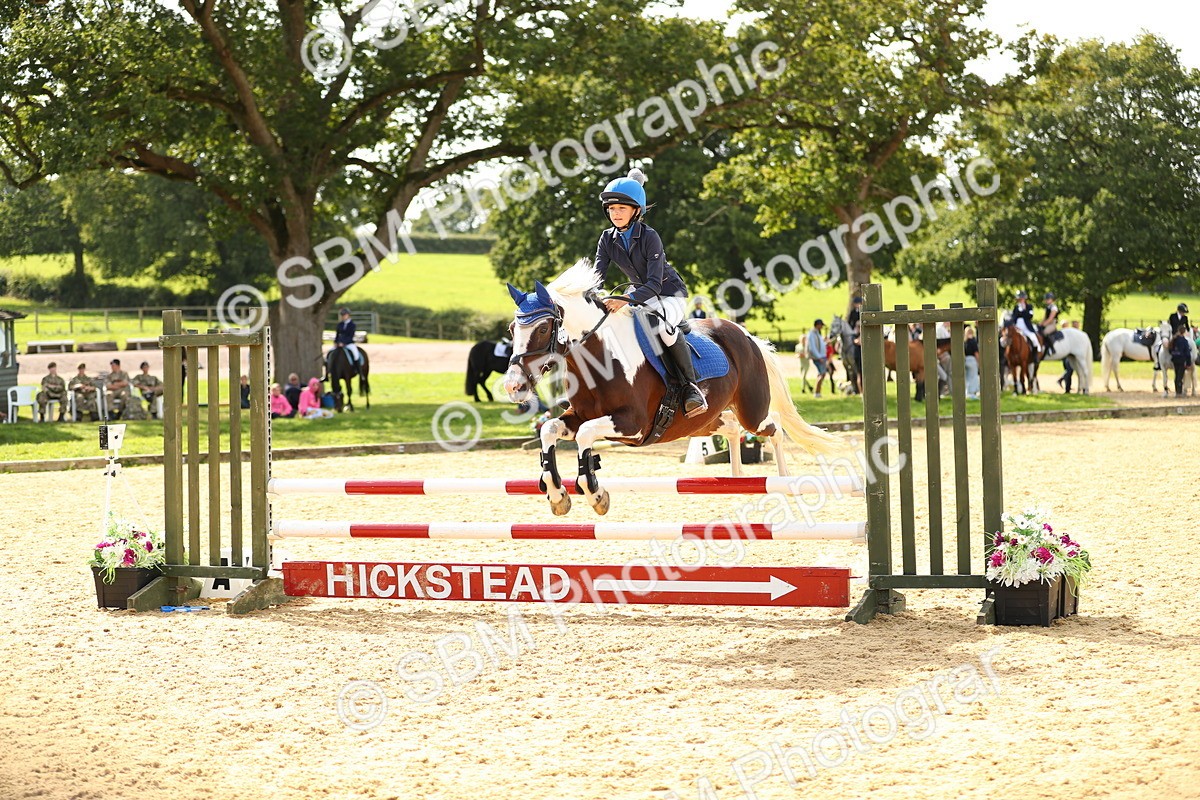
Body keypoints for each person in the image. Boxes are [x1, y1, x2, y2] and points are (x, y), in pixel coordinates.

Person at [593, 167, 706, 416]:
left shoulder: (650, 236)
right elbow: (597, 275)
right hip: (636, 293)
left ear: (636, 211)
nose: (615, 213)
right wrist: (592, 295)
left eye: (621, 208)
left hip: (668, 293)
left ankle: (691, 387)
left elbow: (655, 284)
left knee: (663, 328)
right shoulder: (606, 238)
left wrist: (624, 299)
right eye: (611, 209)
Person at [331, 307, 362, 376]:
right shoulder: (340, 325)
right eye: (342, 315)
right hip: (339, 344)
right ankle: (327, 373)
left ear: (348, 315)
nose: (343, 316)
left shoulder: (352, 325)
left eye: (344, 315)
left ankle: (358, 370)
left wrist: (344, 343)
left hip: (349, 344)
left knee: (356, 354)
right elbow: (337, 335)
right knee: (330, 353)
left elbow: (350, 336)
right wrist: (336, 342)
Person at [1012, 291, 1040, 356]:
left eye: (1022, 299)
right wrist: (1015, 326)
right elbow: (1013, 318)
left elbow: (1030, 316)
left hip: (1026, 327)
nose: (1020, 300)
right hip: (1018, 327)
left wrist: (1024, 309)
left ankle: (1035, 355)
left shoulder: (1029, 306)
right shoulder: (1016, 307)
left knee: (1033, 338)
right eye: (1019, 299)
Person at [807, 319, 828, 399]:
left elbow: (820, 344)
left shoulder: (817, 333)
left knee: (821, 374)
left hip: (822, 356)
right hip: (819, 358)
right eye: (821, 325)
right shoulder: (812, 334)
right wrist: (819, 357)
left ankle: (818, 392)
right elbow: (812, 347)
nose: (822, 327)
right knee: (822, 374)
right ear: (817, 325)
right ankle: (817, 392)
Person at [1169, 326, 1192, 397]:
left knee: (1176, 376)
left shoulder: (1174, 340)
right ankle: (1179, 392)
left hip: (1175, 360)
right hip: (1182, 361)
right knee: (1180, 377)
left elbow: (1170, 350)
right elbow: (1187, 353)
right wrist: (1188, 363)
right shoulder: (1184, 341)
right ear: (1184, 332)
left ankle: (1177, 392)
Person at [964, 326, 980, 399]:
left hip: (966, 360)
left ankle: (967, 392)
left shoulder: (965, 341)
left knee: (967, 377)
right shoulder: (973, 341)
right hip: (972, 359)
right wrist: (978, 361)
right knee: (973, 377)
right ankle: (972, 393)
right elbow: (976, 352)